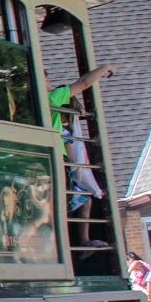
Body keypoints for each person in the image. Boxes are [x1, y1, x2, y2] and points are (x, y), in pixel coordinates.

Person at [48, 65, 113, 246]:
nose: (50, 84)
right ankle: (76, 242)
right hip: (56, 156)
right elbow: (83, 83)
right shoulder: (52, 97)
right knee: (67, 199)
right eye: (47, 80)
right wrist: (104, 69)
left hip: (46, 155)